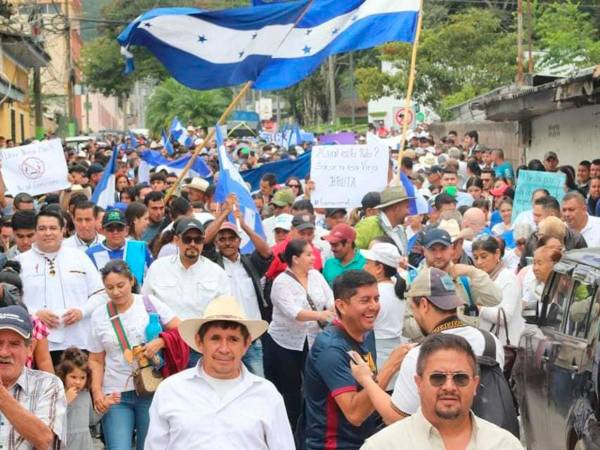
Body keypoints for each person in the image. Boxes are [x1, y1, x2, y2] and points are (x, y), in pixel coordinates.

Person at [351, 267, 505, 424]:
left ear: (423, 304)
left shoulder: (420, 355)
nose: (414, 316)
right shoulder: (491, 341)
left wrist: (368, 380)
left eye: (413, 309)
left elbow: (396, 419)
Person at [146, 295, 294, 449]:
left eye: (233, 339)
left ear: (246, 344)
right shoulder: (171, 390)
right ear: (199, 342)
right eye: (215, 339)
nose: (224, 349)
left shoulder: (267, 394)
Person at [303, 270, 411, 450]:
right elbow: (355, 414)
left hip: (365, 441)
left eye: (376, 299)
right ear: (342, 306)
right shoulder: (331, 349)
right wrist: (391, 365)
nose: (374, 307)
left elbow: (370, 388)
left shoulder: (367, 333)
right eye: (365, 300)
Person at [359, 334, 522, 450]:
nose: (449, 387)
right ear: (419, 383)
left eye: (460, 378)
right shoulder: (383, 445)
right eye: (437, 378)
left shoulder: (504, 444)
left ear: (475, 384)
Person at [88, 260, 180, 450]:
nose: (116, 292)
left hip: (151, 389)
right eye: (109, 287)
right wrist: (97, 392)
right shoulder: (98, 315)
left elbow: (181, 329)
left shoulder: (149, 303)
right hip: (115, 393)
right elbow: (96, 359)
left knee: (150, 446)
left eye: (120, 285)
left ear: (131, 281)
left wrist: (161, 341)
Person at [17, 209, 105, 364]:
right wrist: (34, 314)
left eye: (53, 228)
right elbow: (11, 301)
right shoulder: (19, 262)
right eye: (42, 229)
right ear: (35, 232)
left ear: (62, 230)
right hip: (38, 344)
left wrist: (82, 311)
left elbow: (101, 294)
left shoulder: (80, 257)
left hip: (79, 341)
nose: (48, 233)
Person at [264, 239, 334, 428]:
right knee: (290, 389)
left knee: (315, 383)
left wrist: (334, 311)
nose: (313, 258)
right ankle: (290, 428)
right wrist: (322, 314)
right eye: (309, 254)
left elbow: (330, 299)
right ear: (295, 258)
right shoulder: (281, 282)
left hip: (313, 339)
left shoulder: (316, 276)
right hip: (284, 343)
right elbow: (293, 313)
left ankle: (313, 424)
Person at [142, 218, 230, 363]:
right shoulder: (158, 268)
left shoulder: (217, 272)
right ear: (177, 240)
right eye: (187, 239)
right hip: (165, 347)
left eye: (198, 240)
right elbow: (145, 304)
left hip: (201, 348)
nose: (193, 244)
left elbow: (224, 312)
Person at [403, 228, 501, 341]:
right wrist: (443, 321)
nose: (438, 255)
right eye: (433, 250)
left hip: (465, 351)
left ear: (452, 249)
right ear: (424, 251)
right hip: (427, 352)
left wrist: (473, 272)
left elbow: (495, 299)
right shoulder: (411, 280)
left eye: (443, 249)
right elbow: (404, 326)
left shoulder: (465, 278)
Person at [209, 219, 273, 376]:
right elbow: (204, 241)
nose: (227, 243)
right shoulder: (211, 265)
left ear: (239, 241)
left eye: (232, 238)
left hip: (251, 337)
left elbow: (267, 252)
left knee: (257, 383)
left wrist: (244, 226)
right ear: (216, 243)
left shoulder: (250, 262)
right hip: (224, 337)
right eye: (222, 239)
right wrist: (223, 214)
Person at [0, 304, 67, 449]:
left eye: (14, 344)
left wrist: (2, 396)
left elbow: (45, 441)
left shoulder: (48, 384)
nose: (4, 352)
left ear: (30, 349)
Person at [361, 242, 407, 380]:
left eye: (368, 263)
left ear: (379, 268)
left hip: (374, 353)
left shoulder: (374, 294)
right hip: (396, 353)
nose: (364, 267)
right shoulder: (397, 289)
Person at [472, 236, 525, 345]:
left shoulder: (508, 278)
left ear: (497, 254)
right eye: (476, 258)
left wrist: (478, 308)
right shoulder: (482, 279)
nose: (479, 262)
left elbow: (504, 316)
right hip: (487, 344)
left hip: (504, 345)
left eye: (483, 256)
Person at [56, 347, 104, 450]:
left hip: (85, 445)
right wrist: (65, 401)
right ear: (64, 375)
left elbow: (91, 420)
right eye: (73, 377)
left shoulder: (85, 394)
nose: (78, 382)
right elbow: (53, 420)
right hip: (66, 444)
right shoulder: (58, 393)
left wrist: (105, 407)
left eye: (82, 377)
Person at [355, 185, 412, 255]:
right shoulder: (368, 225)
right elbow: (350, 254)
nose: (409, 212)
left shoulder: (400, 230)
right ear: (396, 208)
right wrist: (372, 261)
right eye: (407, 207)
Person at [86, 208, 152, 270]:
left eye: (119, 228)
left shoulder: (139, 248)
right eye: (110, 228)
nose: (115, 232)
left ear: (126, 230)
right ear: (103, 231)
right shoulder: (91, 254)